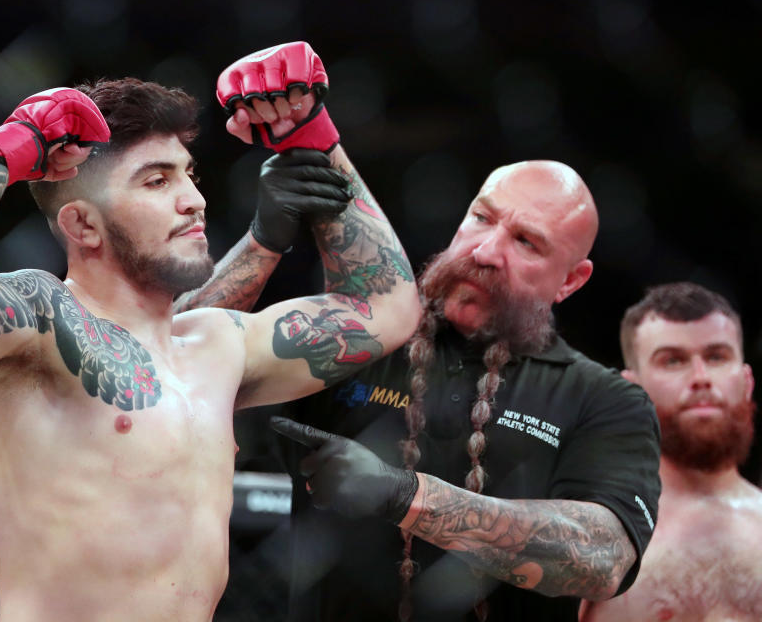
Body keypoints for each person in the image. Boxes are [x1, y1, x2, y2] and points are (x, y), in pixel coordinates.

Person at [0, 42, 420, 622]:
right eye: (156, 182)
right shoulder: (43, 320)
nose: (194, 201)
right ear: (83, 224)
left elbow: (384, 306)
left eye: (189, 175)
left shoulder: (215, 344)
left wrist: (313, 137)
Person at [187, 158, 662, 621]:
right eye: (481, 218)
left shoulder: (602, 399)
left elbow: (604, 558)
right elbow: (173, 364)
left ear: (571, 280)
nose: (485, 252)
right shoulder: (359, 340)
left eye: (526, 242)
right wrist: (263, 241)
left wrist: (404, 494)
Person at [579, 282, 762, 621]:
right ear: (631, 394)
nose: (701, 377)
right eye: (673, 360)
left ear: (747, 381)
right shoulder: (590, 537)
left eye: (717, 356)